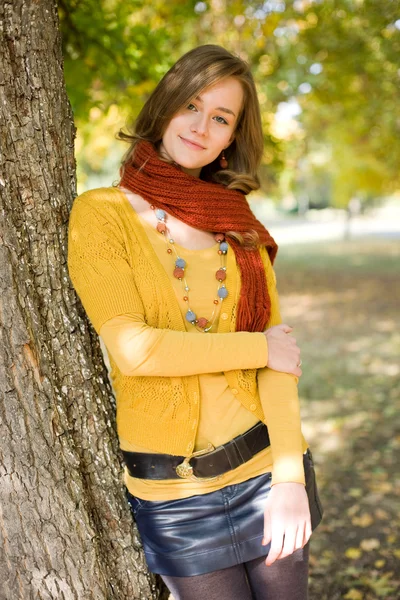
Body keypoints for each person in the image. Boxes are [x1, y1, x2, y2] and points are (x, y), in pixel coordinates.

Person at [67, 44, 323, 600]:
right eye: (192, 104)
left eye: (221, 117)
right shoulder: (101, 214)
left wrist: (289, 479)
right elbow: (133, 348)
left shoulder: (239, 227)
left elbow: (281, 367)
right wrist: (255, 348)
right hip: (174, 494)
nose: (201, 126)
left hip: (264, 473)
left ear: (231, 138)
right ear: (165, 106)